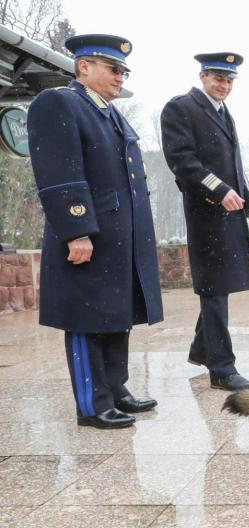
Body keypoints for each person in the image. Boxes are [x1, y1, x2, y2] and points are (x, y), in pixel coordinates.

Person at [27, 34, 163, 429]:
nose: (120, 77)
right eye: (113, 68)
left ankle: (115, 388)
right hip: (88, 235)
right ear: (83, 67)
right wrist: (76, 230)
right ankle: (92, 403)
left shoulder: (109, 112)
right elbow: (60, 172)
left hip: (117, 238)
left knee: (115, 317)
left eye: (123, 71)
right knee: (86, 320)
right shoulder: (60, 103)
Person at [161, 52, 249, 391]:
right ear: (203, 75)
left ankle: (202, 349)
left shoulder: (224, 113)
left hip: (229, 213)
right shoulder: (180, 107)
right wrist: (218, 191)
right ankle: (222, 368)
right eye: (219, 78)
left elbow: (233, 164)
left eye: (229, 80)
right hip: (206, 213)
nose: (224, 85)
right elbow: (182, 161)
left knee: (220, 287)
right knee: (214, 290)